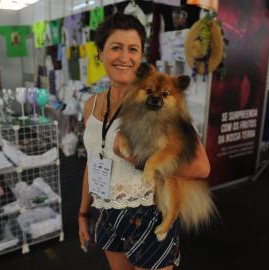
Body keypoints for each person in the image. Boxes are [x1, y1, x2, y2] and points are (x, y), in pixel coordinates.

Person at [78, 13, 210, 270]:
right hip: (105, 210)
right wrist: (83, 212)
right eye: (116, 48)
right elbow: (92, 160)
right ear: (101, 53)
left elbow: (201, 168)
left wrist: (139, 160)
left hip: (147, 212)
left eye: (133, 49)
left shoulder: (160, 103)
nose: (125, 57)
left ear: (140, 56)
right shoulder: (90, 105)